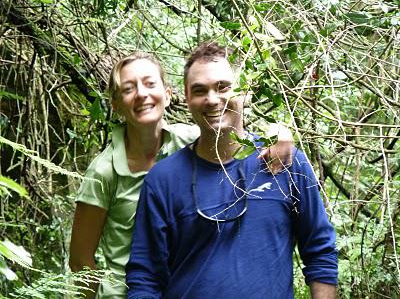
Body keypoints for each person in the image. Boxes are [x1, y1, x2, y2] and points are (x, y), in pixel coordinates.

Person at [69, 51, 294, 298]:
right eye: (128, 89)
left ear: (168, 95)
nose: (142, 94)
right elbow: (81, 261)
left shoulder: (191, 141)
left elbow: (236, 137)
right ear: (116, 105)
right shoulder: (104, 171)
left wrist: (280, 133)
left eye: (149, 84)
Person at [126, 42, 338, 299]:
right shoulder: (163, 180)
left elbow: (320, 252)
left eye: (223, 87)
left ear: (244, 90)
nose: (213, 100)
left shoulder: (287, 164)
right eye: (200, 90)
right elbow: (144, 277)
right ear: (187, 97)